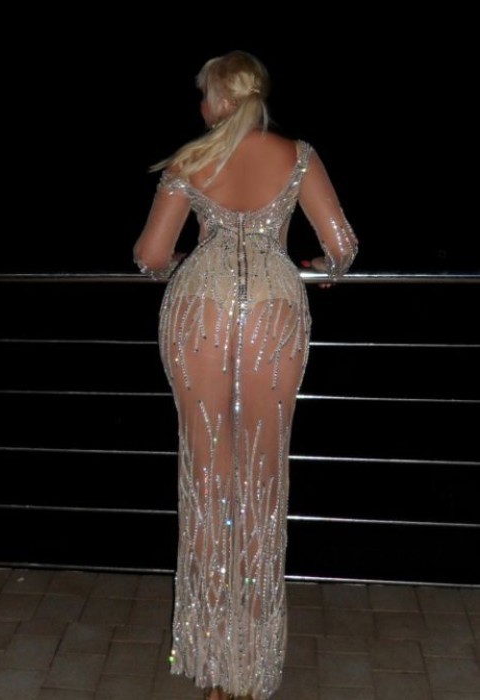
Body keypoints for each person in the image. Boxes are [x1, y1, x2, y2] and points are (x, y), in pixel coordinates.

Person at [133, 50, 358, 700]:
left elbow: (150, 255)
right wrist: (322, 267)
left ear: (222, 99)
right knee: (261, 484)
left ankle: (212, 664)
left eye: (204, 94)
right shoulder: (299, 155)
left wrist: (178, 262)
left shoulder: (188, 161)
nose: (200, 105)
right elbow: (342, 247)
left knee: (207, 481)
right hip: (272, 314)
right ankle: (250, 667)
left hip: (198, 314)